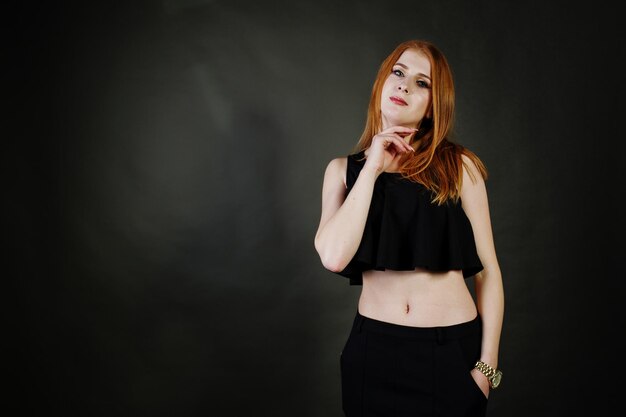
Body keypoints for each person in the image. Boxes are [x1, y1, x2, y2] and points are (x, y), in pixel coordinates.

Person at [314, 39, 505, 417]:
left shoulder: (460, 168)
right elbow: (334, 257)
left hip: (449, 353)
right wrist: (371, 167)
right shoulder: (342, 172)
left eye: (422, 83)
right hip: (373, 355)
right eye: (398, 73)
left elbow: (489, 273)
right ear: (382, 82)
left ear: (434, 107)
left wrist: (487, 368)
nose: (404, 85)